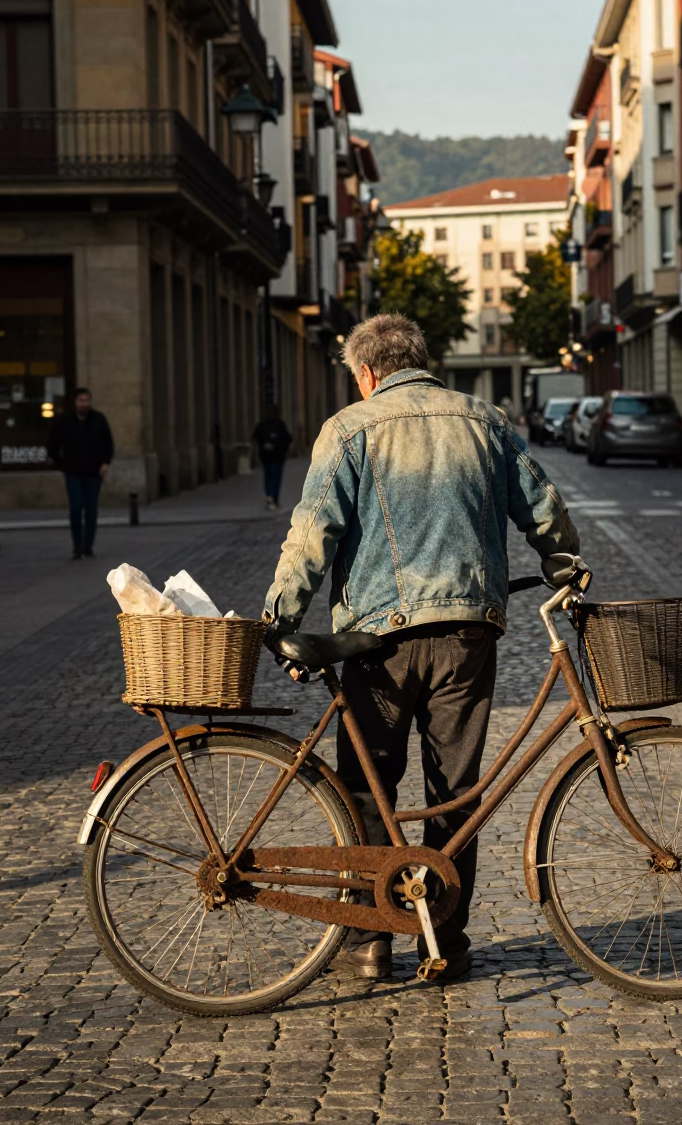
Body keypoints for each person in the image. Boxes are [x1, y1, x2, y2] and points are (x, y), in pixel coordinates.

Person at [262, 313, 579, 983]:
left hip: (376, 640)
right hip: (467, 633)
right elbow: (542, 506)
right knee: (455, 791)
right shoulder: (483, 420)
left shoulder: (350, 428)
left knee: (366, 788)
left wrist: (279, 618)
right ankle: (445, 941)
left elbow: (312, 531)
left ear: (367, 372)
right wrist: (561, 562)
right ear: (419, 358)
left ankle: (371, 940)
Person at [47, 387, 114, 560]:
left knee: (91, 509)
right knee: (76, 508)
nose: (84, 404)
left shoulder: (98, 420)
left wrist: (105, 463)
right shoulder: (64, 421)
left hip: (93, 472)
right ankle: (77, 544)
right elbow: (53, 444)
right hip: (73, 472)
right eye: (81, 400)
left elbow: (107, 443)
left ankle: (87, 545)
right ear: (75, 402)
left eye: (86, 400)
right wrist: (62, 464)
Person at [252, 410, 292, 510]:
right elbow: (288, 438)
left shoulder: (262, 425)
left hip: (266, 457)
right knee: (276, 478)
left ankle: (269, 494)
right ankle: (274, 498)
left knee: (268, 476)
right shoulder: (280, 425)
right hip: (278, 457)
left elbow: (255, 437)